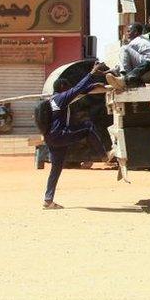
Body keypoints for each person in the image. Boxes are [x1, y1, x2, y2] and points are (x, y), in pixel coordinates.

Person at [43, 62, 110, 210]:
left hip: (51, 139)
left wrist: (93, 87)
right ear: (62, 89)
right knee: (87, 129)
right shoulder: (61, 98)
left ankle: (48, 200)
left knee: (56, 168)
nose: (69, 90)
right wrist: (91, 73)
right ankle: (104, 156)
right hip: (60, 135)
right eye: (67, 88)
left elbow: (78, 93)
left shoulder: (53, 100)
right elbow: (77, 89)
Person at [107, 23, 150, 91]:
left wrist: (113, 70)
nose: (126, 34)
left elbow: (123, 60)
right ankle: (131, 80)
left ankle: (125, 79)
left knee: (124, 48)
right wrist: (110, 71)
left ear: (136, 32)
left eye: (128, 31)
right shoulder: (143, 40)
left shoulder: (136, 41)